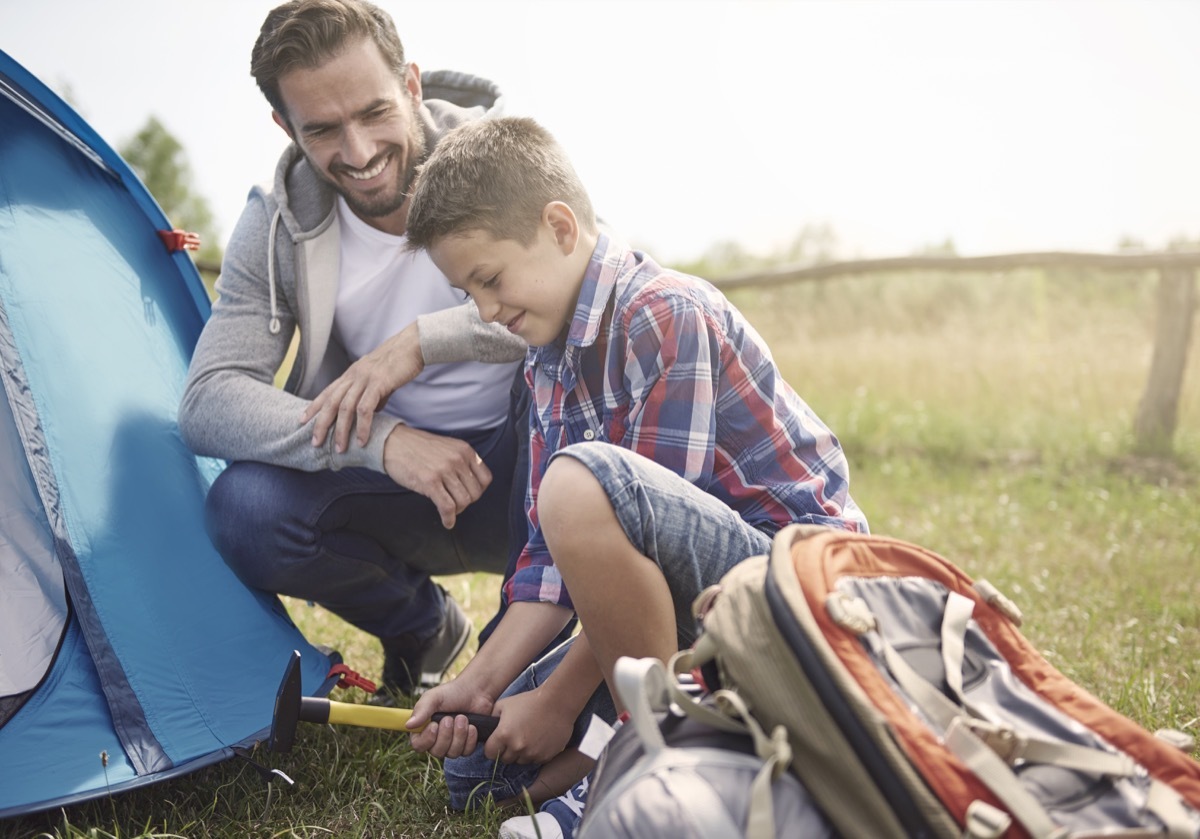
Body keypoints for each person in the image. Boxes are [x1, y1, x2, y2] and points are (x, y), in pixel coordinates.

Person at [399, 116, 869, 837]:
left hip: (791, 591)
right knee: (479, 770)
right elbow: (547, 566)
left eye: (489, 280)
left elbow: (630, 528)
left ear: (559, 227)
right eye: (469, 295)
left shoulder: (663, 312)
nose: (486, 311)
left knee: (579, 486)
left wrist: (559, 698)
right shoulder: (546, 356)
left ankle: (651, 756)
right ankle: (662, 739)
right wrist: (478, 683)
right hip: (682, 613)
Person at [178, 0, 538, 701]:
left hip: (529, 458)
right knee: (243, 508)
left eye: (374, 112)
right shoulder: (274, 220)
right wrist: (386, 441)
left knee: (597, 462)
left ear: (410, 83)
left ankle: (535, 639)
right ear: (286, 127)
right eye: (323, 129)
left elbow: (593, 284)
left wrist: (419, 344)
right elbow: (209, 397)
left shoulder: (501, 158)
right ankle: (422, 625)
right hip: (393, 484)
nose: (361, 151)